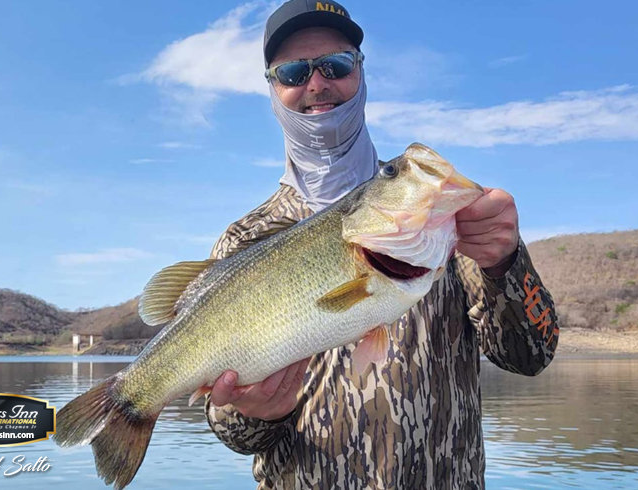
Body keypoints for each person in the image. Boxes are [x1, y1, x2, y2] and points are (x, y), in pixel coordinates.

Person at [204, 1, 559, 488]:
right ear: (272, 88)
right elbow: (231, 433)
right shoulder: (244, 240)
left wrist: (505, 265)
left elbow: (531, 354)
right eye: (293, 71)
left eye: (336, 65)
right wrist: (256, 414)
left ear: (361, 73)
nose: (317, 84)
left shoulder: (440, 213)